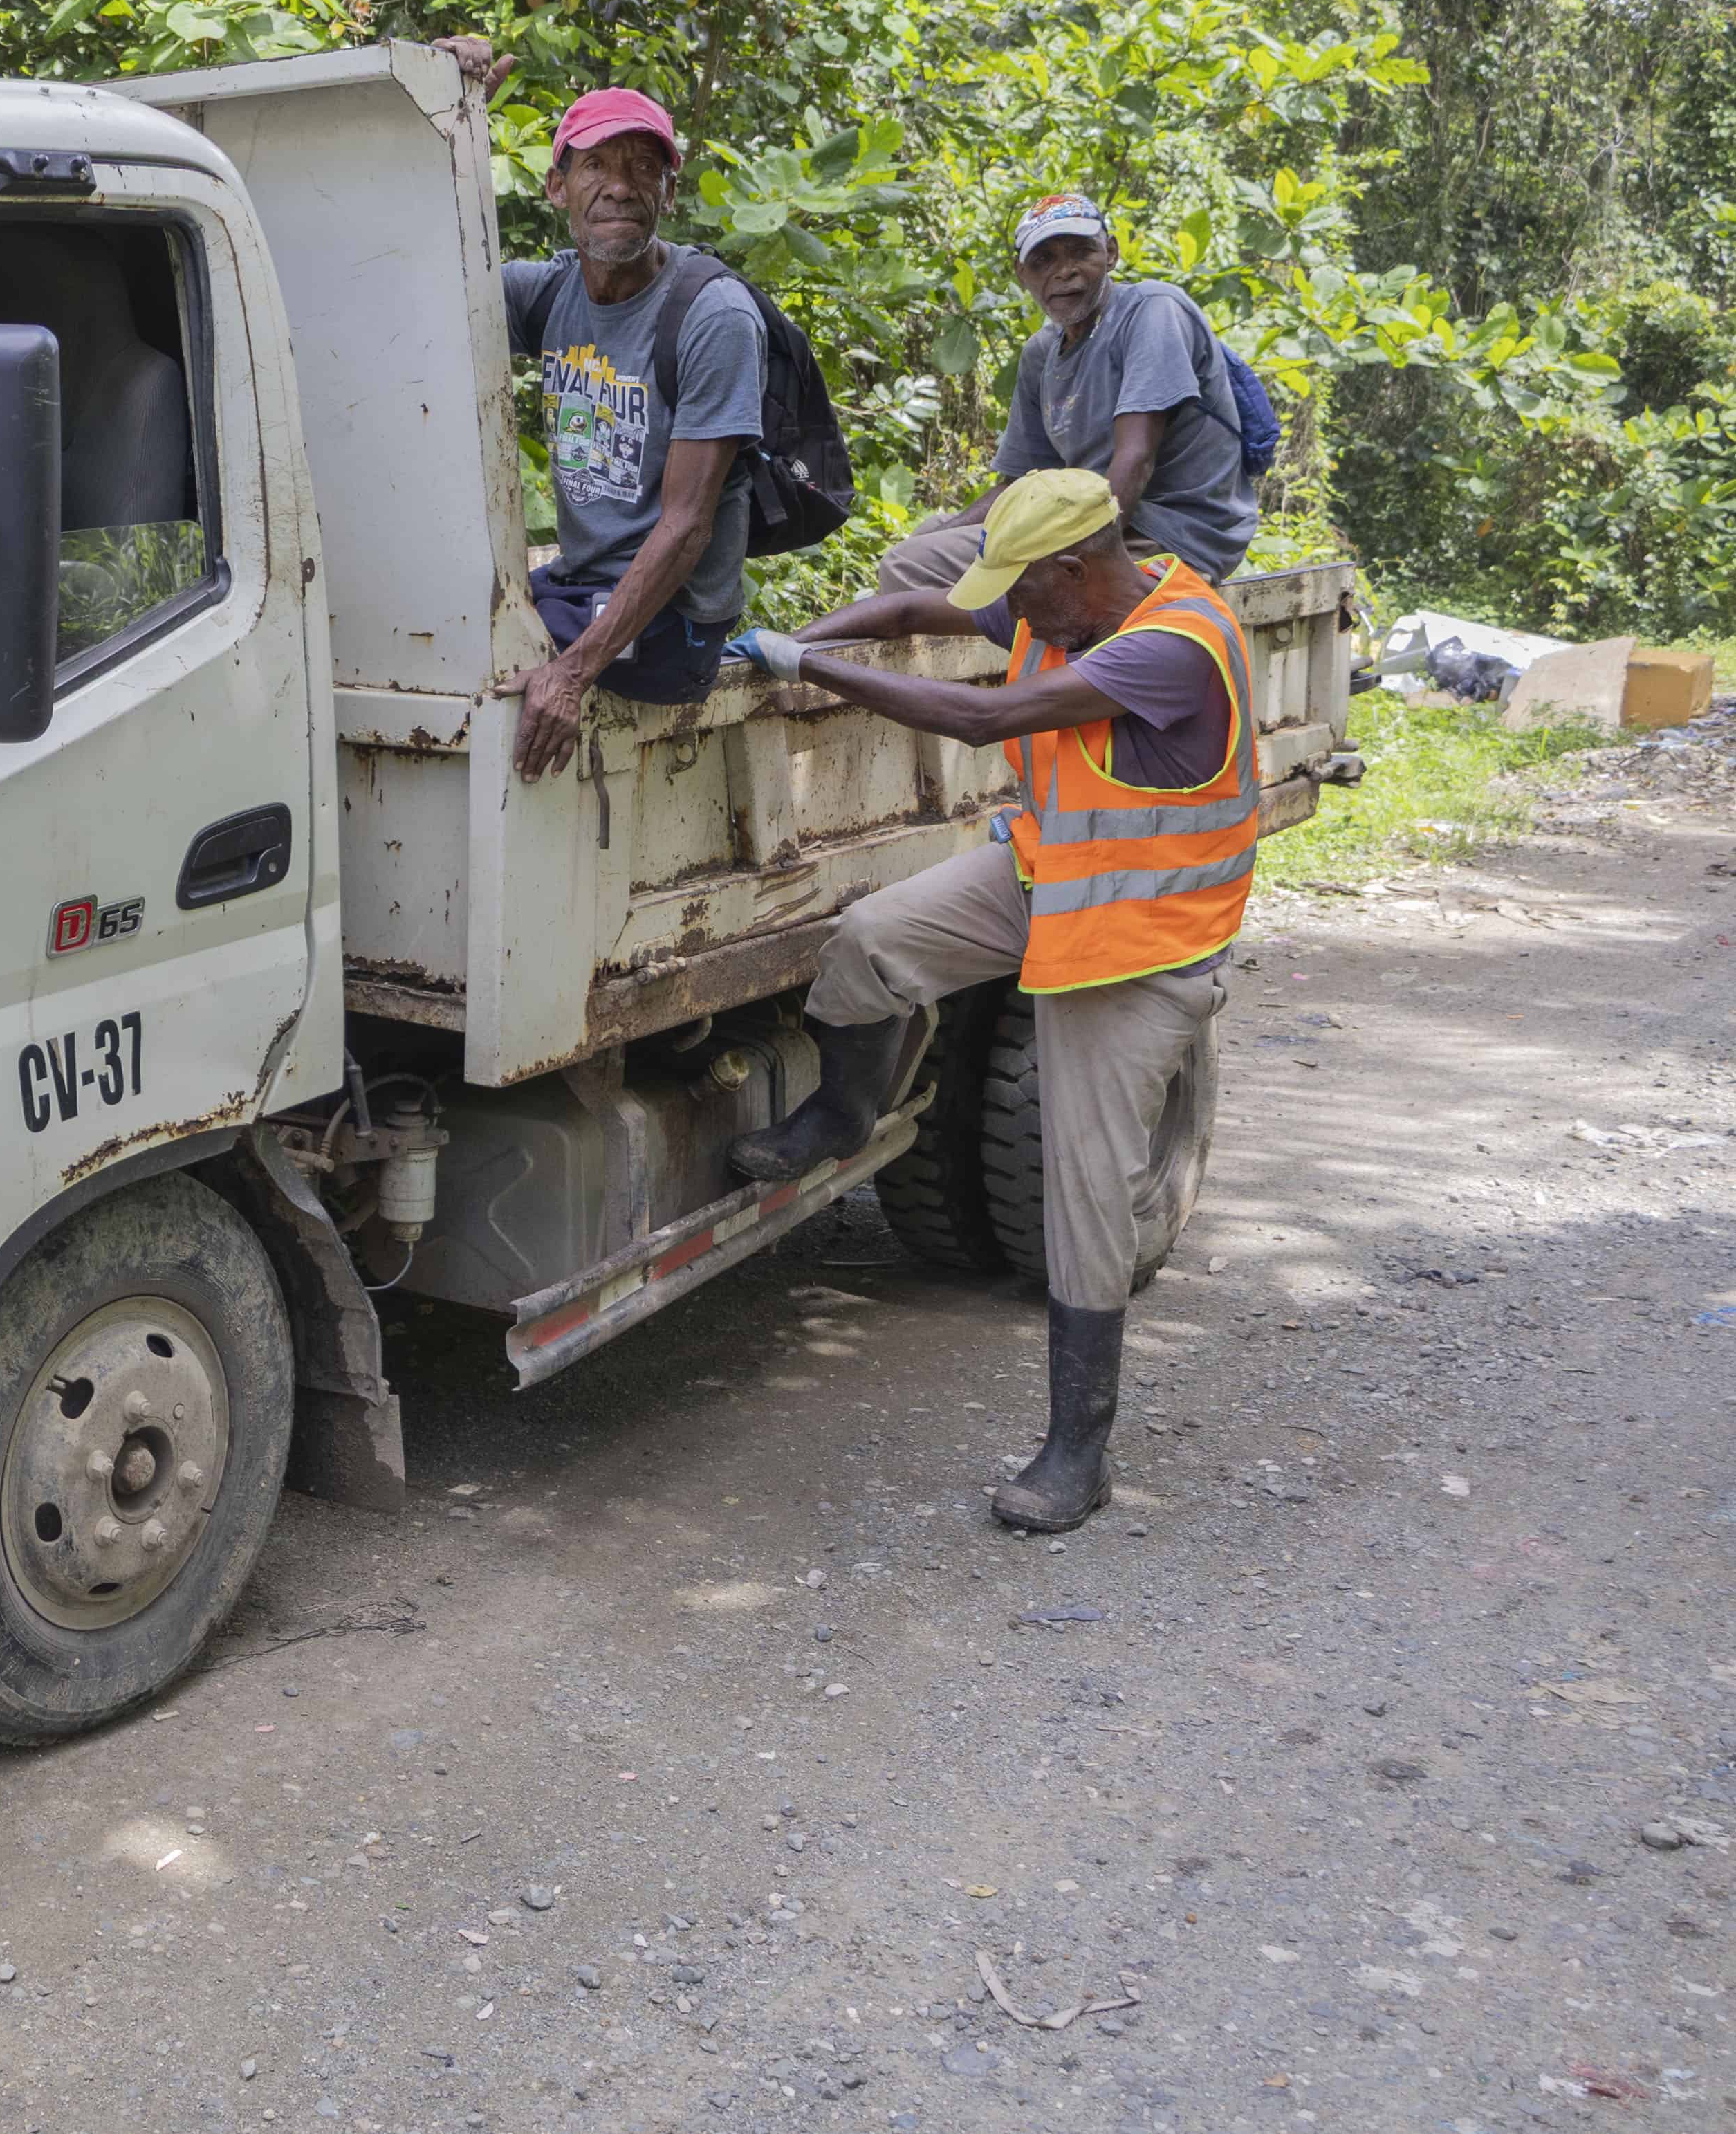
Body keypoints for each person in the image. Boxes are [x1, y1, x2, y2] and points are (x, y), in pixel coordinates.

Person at [724, 470, 1254, 1533]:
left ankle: (1076, 1452)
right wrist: (793, 638)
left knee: (1085, 1191)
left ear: (1075, 567)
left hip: (1134, 946)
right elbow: (920, 608)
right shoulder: (1055, 605)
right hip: (1044, 880)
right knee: (870, 943)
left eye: (1020, 591)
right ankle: (842, 1111)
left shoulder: (1169, 642)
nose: (1005, 610)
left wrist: (808, 666)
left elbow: (983, 720)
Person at [492, 85, 761, 782]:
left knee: (481, 673)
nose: (619, 187)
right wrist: (449, 117)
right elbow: (416, 274)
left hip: (670, 626)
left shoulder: (712, 315)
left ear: (668, 192)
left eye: (643, 168)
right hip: (581, 586)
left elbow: (687, 527)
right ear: (556, 187)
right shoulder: (548, 293)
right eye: (595, 167)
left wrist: (573, 673)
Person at [876, 193, 1257, 596]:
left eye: (1080, 252)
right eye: (1044, 261)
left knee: (908, 568)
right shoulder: (1042, 353)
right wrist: (957, 532)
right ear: (1022, 273)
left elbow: (1136, 459)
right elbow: (1020, 485)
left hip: (1169, 531)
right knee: (925, 539)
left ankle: (1034, 644)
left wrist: (1073, 561)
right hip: (1094, 522)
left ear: (1110, 253)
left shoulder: (1151, 310)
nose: (1065, 272)